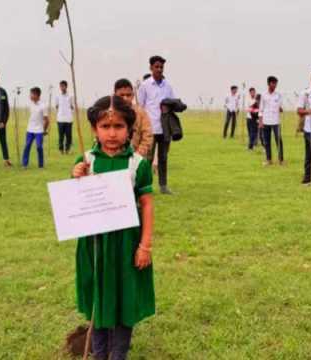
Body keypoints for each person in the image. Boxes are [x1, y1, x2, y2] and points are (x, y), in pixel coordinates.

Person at [72, 95, 154, 360]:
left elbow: (147, 205)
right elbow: (75, 203)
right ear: (95, 129)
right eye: (105, 127)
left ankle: (119, 354)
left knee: (123, 298)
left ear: (129, 128)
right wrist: (76, 178)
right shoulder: (86, 161)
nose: (111, 133)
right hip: (95, 246)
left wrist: (144, 246)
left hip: (126, 245)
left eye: (118, 126)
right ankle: (98, 353)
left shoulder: (137, 165)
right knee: (99, 297)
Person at [138, 55, 177, 194]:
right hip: (150, 128)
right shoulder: (145, 85)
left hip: (165, 128)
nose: (159, 69)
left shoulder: (168, 86)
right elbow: (140, 107)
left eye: (161, 67)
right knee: (147, 159)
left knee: (163, 158)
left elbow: (173, 103)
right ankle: (146, 186)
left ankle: (163, 186)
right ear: (151, 68)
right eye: (157, 67)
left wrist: (171, 107)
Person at [114, 78, 154, 158]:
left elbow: (148, 136)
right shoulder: (109, 113)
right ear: (114, 95)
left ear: (133, 95)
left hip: (136, 157)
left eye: (128, 95)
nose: (125, 98)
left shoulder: (140, 113)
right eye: (121, 95)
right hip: (113, 156)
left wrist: (138, 155)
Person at [259, 76, 284, 165]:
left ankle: (281, 160)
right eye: (273, 83)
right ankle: (268, 159)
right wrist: (261, 121)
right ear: (269, 84)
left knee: (279, 141)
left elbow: (281, 107)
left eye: (276, 83)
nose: (275, 85)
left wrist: (281, 108)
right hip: (266, 121)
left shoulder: (279, 95)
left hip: (276, 121)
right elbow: (261, 109)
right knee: (267, 141)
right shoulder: (263, 95)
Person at [22, 87, 49, 168]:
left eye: (32, 94)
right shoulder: (30, 104)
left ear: (37, 95)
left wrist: (44, 130)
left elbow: (47, 120)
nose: (30, 96)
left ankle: (40, 165)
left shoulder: (43, 106)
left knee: (39, 147)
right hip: (29, 130)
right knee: (27, 145)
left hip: (39, 130)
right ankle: (24, 164)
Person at [55, 80, 74, 154]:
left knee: (69, 136)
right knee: (61, 136)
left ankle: (67, 149)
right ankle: (61, 150)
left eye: (63, 86)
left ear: (66, 86)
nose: (62, 88)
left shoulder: (70, 96)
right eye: (61, 86)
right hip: (60, 119)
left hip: (69, 119)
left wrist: (69, 111)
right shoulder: (57, 96)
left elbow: (73, 106)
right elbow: (56, 106)